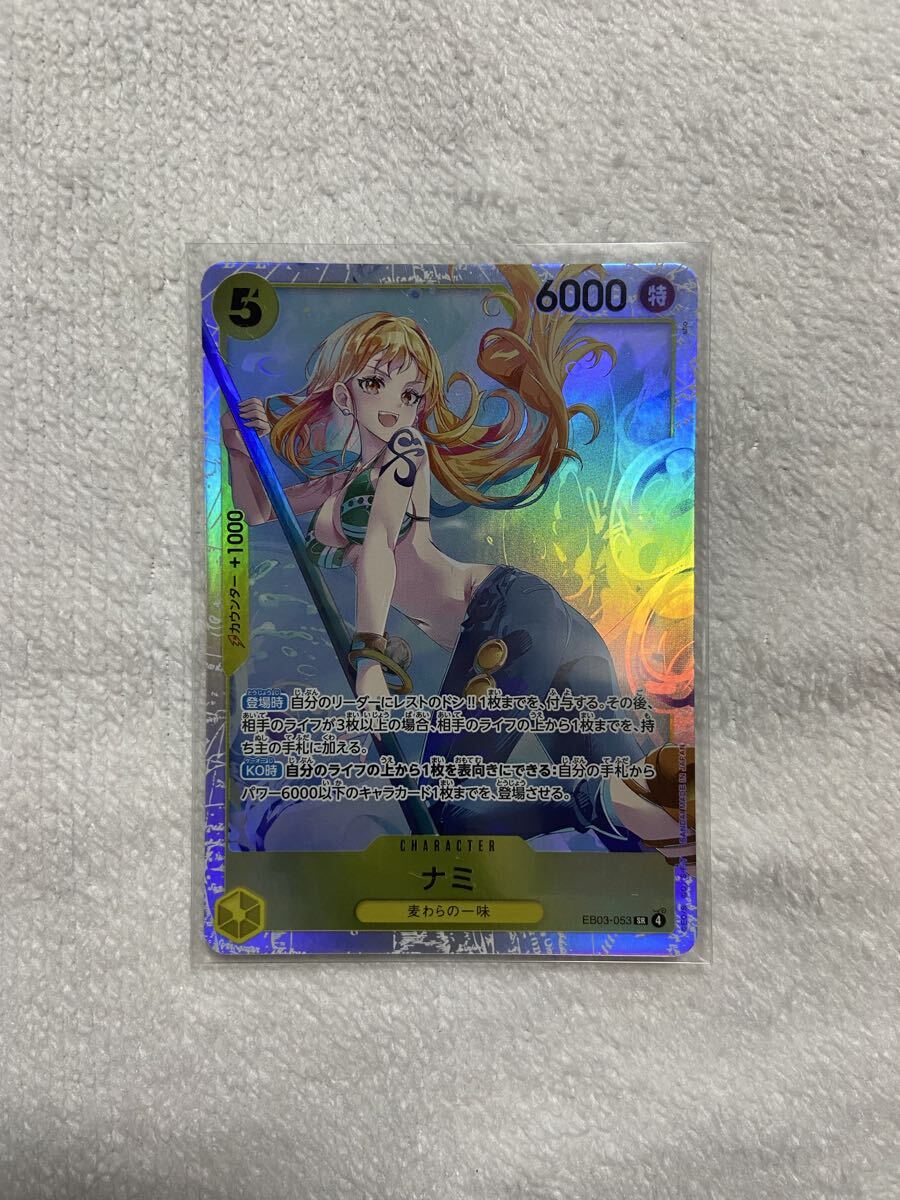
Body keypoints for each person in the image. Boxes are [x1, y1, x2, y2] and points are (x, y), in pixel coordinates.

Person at [223, 266, 694, 868]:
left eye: (411, 395)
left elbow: (379, 545)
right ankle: (669, 820)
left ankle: (613, 805)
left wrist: (369, 660)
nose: (397, 407)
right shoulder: (340, 483)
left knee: (445, 808)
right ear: (344, 395)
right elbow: (259, 512)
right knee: (641, 824)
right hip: (541, 623)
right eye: (377, 384)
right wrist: (237, 446)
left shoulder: (404, 454)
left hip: (506, 615)